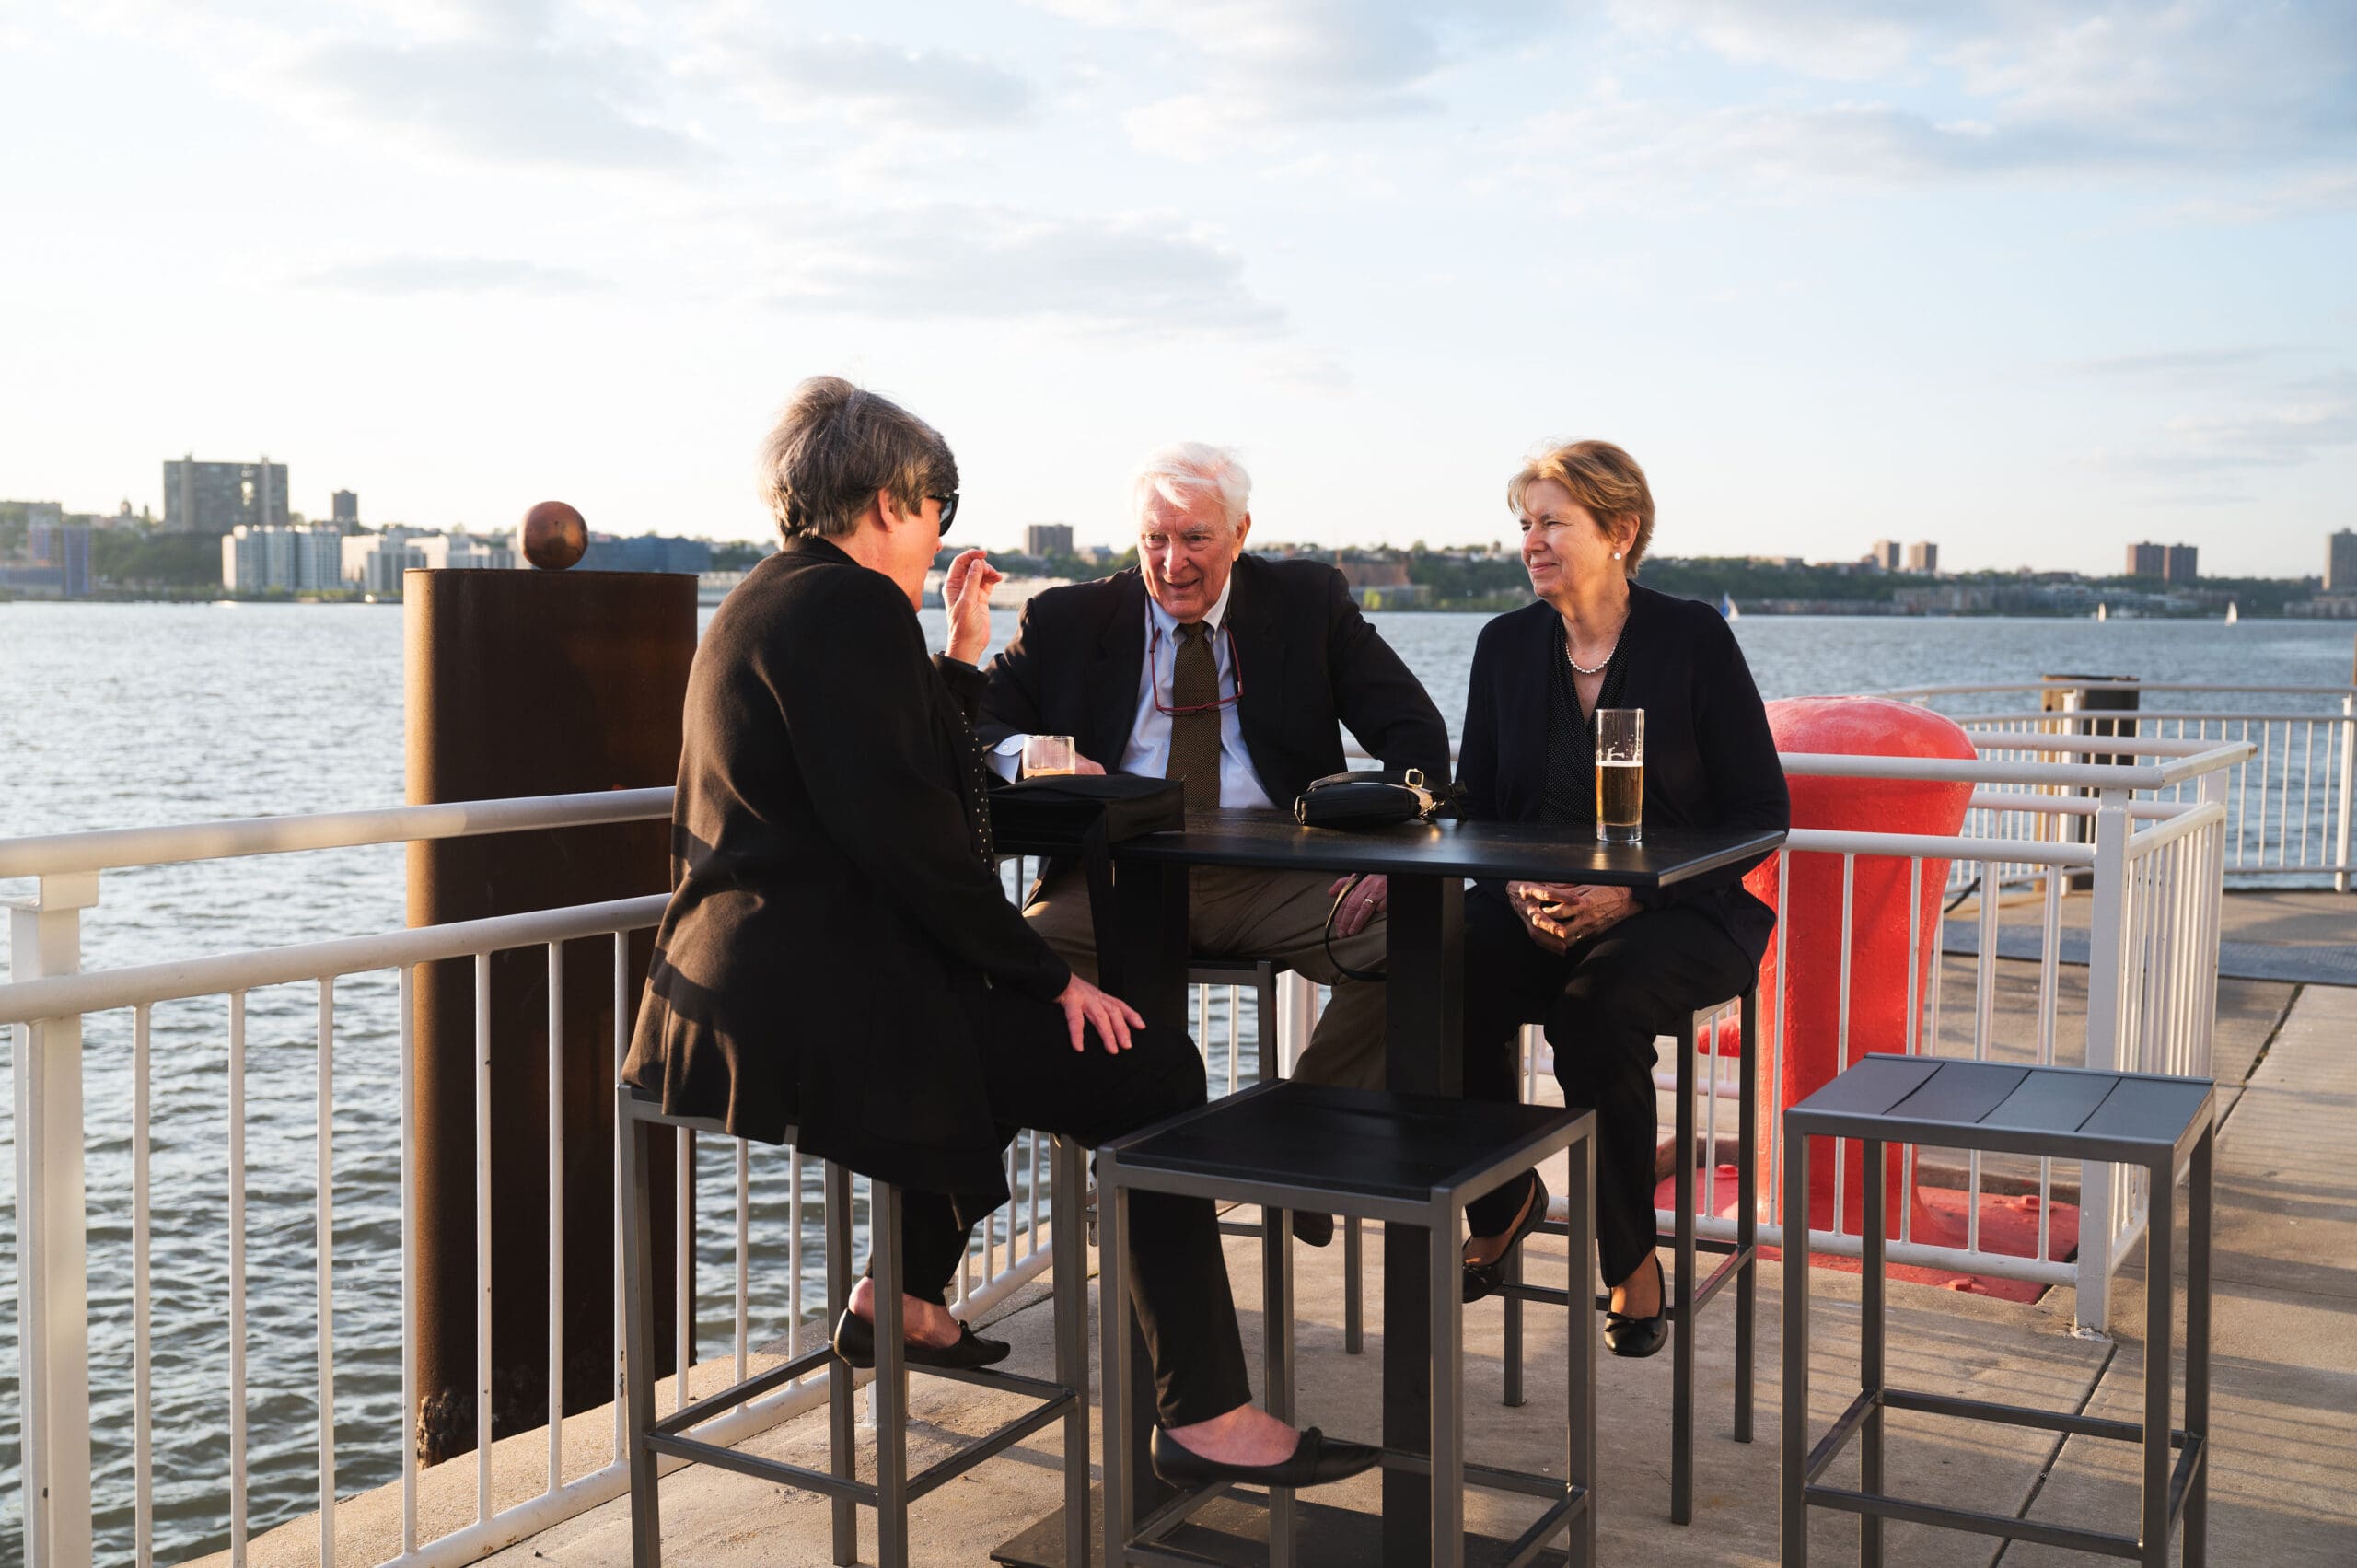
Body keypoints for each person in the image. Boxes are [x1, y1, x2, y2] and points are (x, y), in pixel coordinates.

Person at [621, 378, 1376, 1488]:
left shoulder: (776, 598)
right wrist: (1042, 975)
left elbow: (899, 776)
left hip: (737, 991)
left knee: (1006, 1042)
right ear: (888, 500)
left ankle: (906, 1295)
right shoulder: (847, 608)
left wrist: (963, 656)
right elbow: (919, 837)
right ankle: (1206, 1417)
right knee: (1148, 1063)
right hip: (811, 1007)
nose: (941, 534)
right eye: (941, 506)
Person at [977, 443, 1451, 1148]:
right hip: (1117, 875)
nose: (1173, 563)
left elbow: (1417, 734)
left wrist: (1391, 857)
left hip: (1278, 874)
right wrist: (1037, 757)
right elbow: (972, 722)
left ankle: (1302, 1140)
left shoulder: (1307, 602)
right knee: (988, 977)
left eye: (1195, 537)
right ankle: (1118, 1152)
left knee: (1428, 938)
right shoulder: (1065, 618)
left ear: (1240, 532)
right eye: (1155, 539)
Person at [1454, 439, 1787, 1357]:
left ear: (1620, 531)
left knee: (1593, 1007)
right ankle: (1502, 1195)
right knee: (1447, 963)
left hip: (1685, 912)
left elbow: (1761, 814)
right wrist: (1516, 885)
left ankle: (1630, 1254)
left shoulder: (1690, 639)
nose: (1532, 541)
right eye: (1524, 523)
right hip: (1540, 905)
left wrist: (1630, 901)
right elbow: (1475, 808)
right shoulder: (1504, 646)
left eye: (1553, 521)